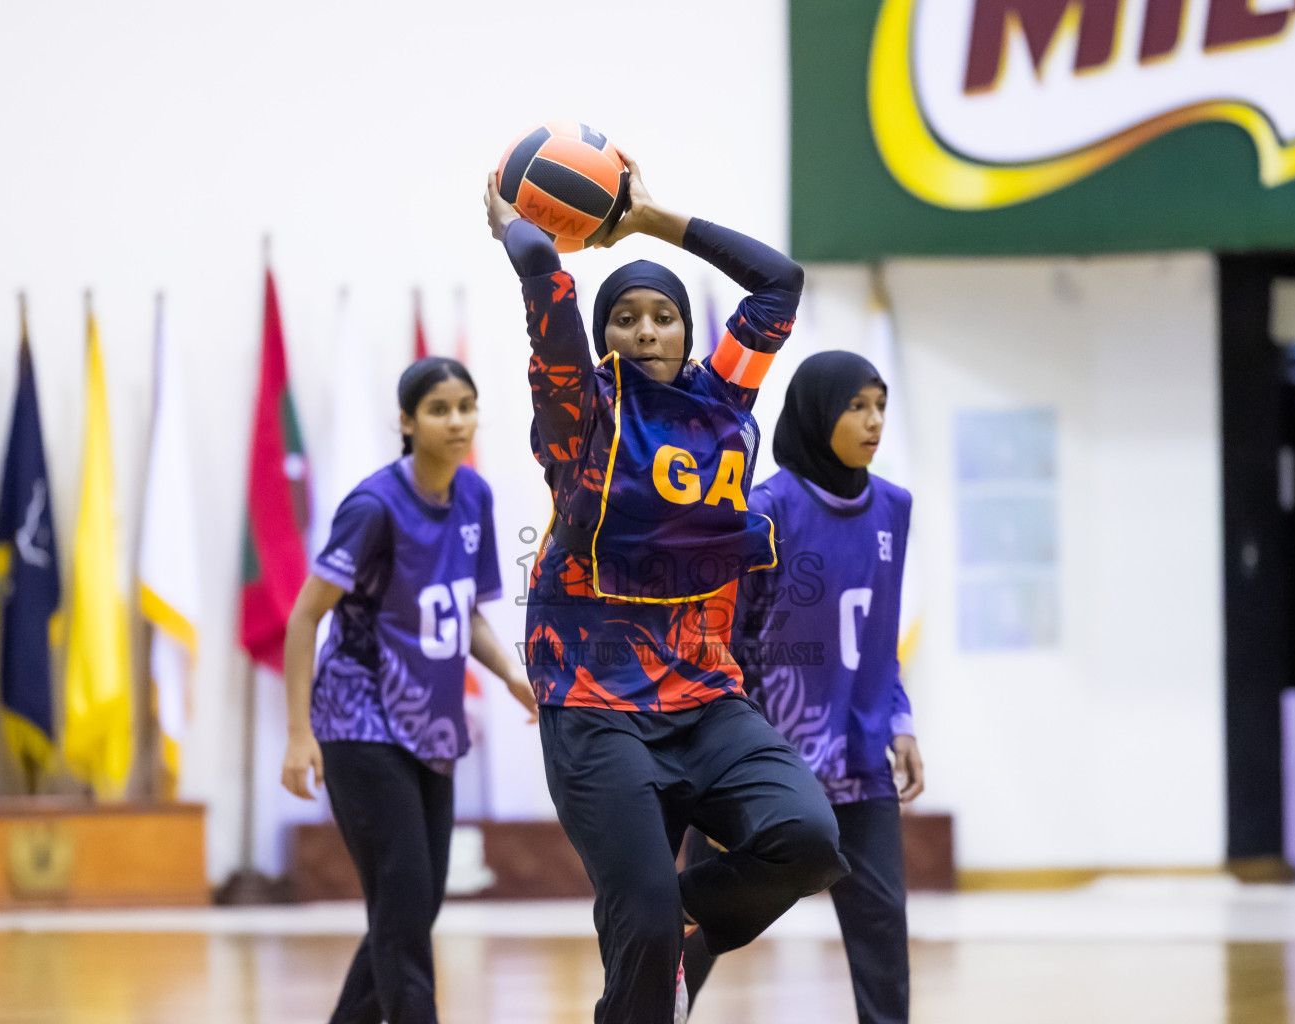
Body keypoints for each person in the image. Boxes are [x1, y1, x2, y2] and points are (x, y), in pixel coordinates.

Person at [484, 158, 849, 1024]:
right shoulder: (582, 411)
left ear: (687, 333)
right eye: (626, 317)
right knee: (637, 928)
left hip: (703, 691)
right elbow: (545, 278)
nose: (646, 330)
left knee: (807, 841)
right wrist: (512, 222)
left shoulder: (724, 398)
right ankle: (652, 926)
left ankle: (682, 916)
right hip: (593, 694)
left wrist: (646, 220)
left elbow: (778, 281)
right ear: (605, 336)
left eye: (664, 317)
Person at [280, 356, 537, 1024]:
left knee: (416, 903)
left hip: (430, 722)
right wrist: (299, 734)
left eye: (466, 407)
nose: (457, 422)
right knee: (401, 903)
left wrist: (510, 672)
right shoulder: (373, 507)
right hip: (358, 720)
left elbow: (462, 612)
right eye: (439, 409)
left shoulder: (475, 495)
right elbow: (305, 615)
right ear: (406, 421)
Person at [682, 350, 924, 1024]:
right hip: (761, 763)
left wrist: (899, 721)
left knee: (883, 930)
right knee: (698, 925)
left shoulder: (894, 509)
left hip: (859, 757)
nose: (874, 420)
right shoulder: (766, 511)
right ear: (818, 413)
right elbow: (723, 643)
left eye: (880, 405)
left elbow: (881, 637)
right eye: (857, 405)